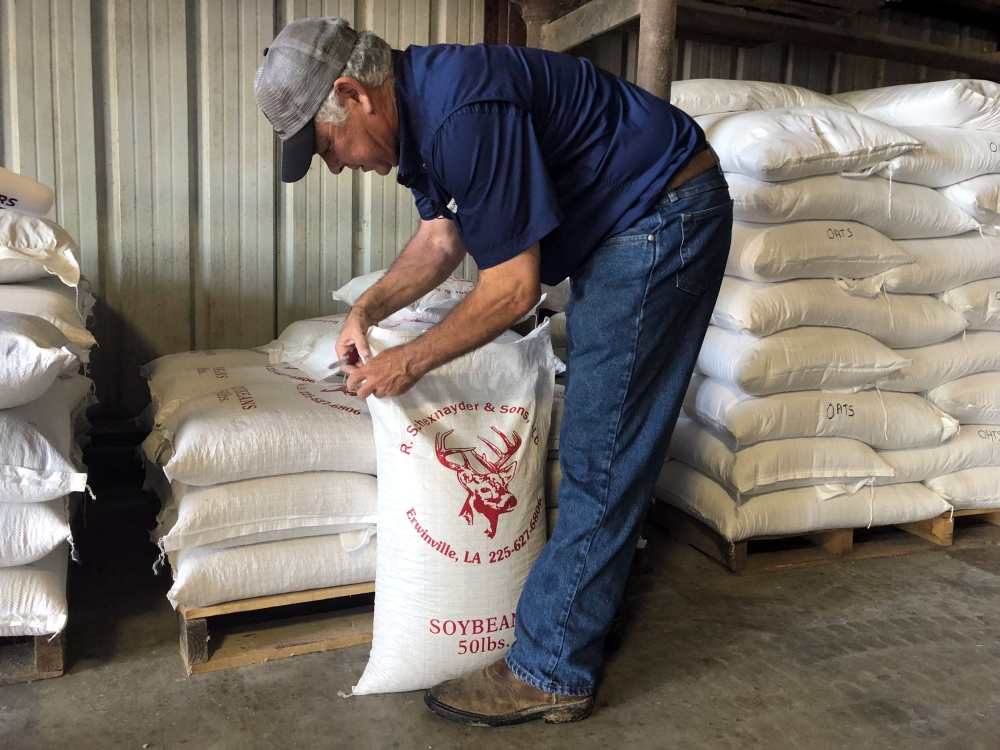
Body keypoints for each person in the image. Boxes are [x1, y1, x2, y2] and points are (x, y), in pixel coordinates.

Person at [255, 17, 732, 727]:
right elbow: (442, 238)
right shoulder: (420, 117)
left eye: (327, 147)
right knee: (600, 440)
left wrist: (406, 362)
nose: (336, 164)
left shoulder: (461, 114)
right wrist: (369, 310)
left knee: (603, 453)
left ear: (354, 95)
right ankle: (569, 622)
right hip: (625, 220)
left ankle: (551, 669)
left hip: (662, 212)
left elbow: (513, 289)